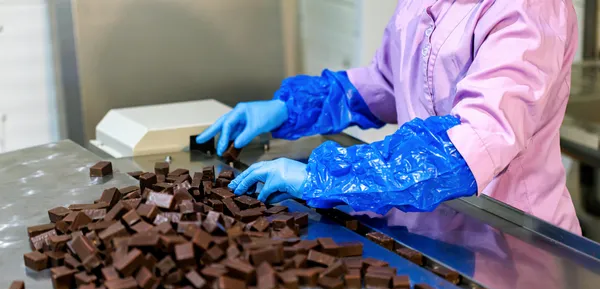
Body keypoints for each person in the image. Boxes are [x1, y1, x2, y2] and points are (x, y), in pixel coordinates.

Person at [197, 0, 581, 235]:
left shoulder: (529, 9)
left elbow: (474, 143)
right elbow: (386, 82)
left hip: (510, 237)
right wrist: (291, 108)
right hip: (432, 224)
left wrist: (326, 176)